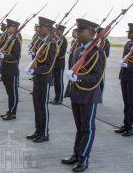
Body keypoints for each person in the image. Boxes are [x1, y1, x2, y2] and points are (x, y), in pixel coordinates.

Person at [62, 19, 106, 172]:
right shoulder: (76, 50)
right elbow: (71, 70)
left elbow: (97, 77)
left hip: (89, 95)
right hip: (76, 93)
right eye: (78, 30)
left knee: (87, 127)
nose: (78, 33)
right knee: (79, 127)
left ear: (92, 33)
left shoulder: (98, 53)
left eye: (81, 31)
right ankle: (76, 154)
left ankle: (83, 159)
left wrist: (78, 78)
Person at [25, 16, 58, 143]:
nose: (38, 29)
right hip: (37, 79)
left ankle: (44, 133)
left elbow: (48, 66)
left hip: (44, 79)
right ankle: (38, 131)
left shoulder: (51, 45)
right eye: (38, 27)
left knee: (42, 106)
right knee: (36, 106)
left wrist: (34, 70)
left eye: (40, 27)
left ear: (48, 29)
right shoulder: (41, 42)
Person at [0, 19, 22, 120]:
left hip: (11, 69)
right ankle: (10, 109)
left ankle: (13, 112)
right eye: (7, 26)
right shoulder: (7, 38)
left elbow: (16, 56)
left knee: (13, 92)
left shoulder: (16, 40)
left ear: (15, 28)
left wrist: (4, 56)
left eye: (10, 27)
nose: (7, 28)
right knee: (9, 92)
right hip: (5, 69)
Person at [50, 24, 68, 105]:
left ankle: (59, 99)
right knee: (56, 82)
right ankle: (56, 98)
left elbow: (61, 54)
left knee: (59, 81)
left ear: (61, 31)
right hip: (55, 63)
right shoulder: (57, 39)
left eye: (57, 30)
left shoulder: (63, 40)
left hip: (59, 64)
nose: (55, 32)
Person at [97, 27, 111, 100]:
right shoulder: (96, 41)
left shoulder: (106, 42)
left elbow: (107, 54)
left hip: (101, 63)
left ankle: (100, 97)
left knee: (101, 80)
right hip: (94, 63)